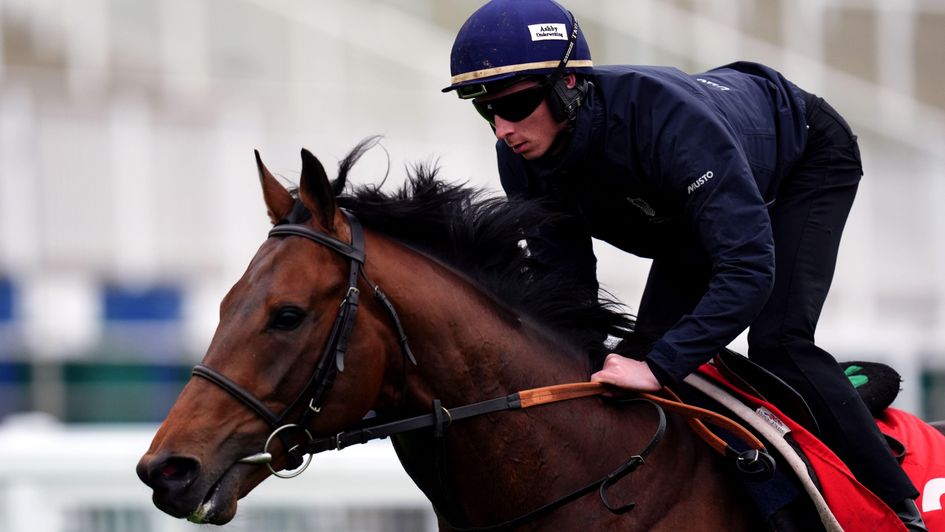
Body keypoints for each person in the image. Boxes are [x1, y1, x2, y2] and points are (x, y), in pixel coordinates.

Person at [442, 0, 926, 530]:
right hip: (684, 209)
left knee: (778, 343)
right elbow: (568, 285)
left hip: (804, 162)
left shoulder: (668, 120)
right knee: (631, 358)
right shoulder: (521, 153)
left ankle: (900, 509)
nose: (501, 129)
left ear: (570, 84)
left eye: (515, 105)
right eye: (483, 108)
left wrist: (659, 367)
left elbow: (747, 270)